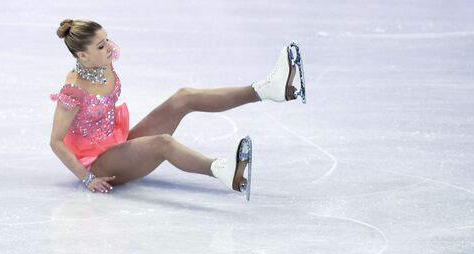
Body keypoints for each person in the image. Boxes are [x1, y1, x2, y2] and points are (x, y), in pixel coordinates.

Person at [50, 19, 306, 200]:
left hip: (116, 144)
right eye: (101, 45)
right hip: (99, 164)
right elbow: (56, 142)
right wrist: (87, 178)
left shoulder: (102, 63)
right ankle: (223, 171)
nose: (110, 47)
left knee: (184, 97)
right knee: (163, 143)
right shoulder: (73, 91)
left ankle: (266, 90)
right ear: (83, 56)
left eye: (107, 40)